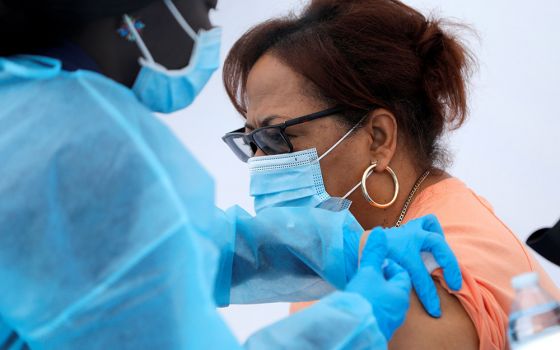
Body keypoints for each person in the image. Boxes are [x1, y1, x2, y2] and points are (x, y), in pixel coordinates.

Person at [0, 0, 463, 349]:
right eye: (205, 6)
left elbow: (185, 242)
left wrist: (340, 247)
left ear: (380, 136)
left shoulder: (32, 112)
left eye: (281, 137)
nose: (208, 28)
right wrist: (353, 323)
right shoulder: (70, 144)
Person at [220, 0, 560, 348]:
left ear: (378, 138)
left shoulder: (424, 281)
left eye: (276, 135)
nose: (258, 161)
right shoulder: (356, 265)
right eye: (250, 141)